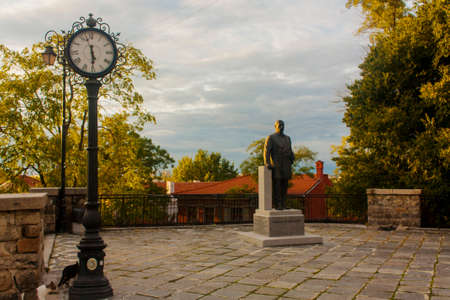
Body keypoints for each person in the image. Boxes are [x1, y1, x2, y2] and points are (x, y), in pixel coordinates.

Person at [264, 120, 295, 210]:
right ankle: (278, 205)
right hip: (276, 164)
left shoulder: (287, 138)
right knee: (277, 185)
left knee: (285, 184)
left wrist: (293, 157)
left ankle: (284, 203)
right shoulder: (271, 137)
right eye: (279, 125)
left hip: (286, 163)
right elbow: (266, 151)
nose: (281, 127)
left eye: (283, 125)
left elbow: (290, 149)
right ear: (275, 126)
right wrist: (267, 162)